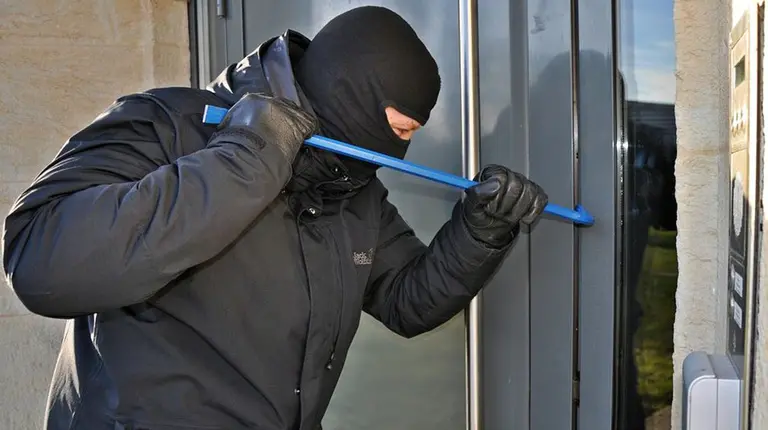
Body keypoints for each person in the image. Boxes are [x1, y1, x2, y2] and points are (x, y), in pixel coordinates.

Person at [2, 6, 547, 430]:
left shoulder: (350, 186)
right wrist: (247, 159)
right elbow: (39, 263)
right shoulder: (167, 124)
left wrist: (481, 230)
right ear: (351, 96)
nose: (403, 146)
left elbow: (406, 300)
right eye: (402, 129)